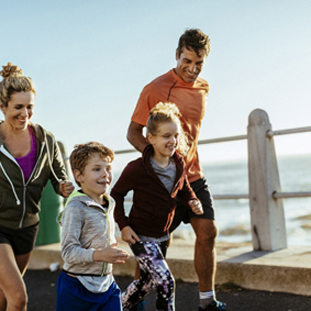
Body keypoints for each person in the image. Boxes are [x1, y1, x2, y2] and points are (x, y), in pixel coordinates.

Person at [126, 29, 227, 311]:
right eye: (187, 61)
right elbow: (133, 132)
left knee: (208, 232)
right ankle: (136, 303)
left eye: (199, 63)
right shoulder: (154, 89)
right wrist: (156, 162)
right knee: (153, 249)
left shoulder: (203, 88)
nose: (192, 69)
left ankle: (207, 301)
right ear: (177, 55)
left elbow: (191, 134)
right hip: (163, 182)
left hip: (193, 176)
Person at [111, 102, 203, 311]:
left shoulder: (178, 163)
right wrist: (123, 225)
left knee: (148, 282)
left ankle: (118, 306)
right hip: (140, 235)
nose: (173, 141)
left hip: (162, 235)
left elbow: (184, 188)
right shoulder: (137, 168)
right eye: (166, 136)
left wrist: (193, 200)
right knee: (166, 282)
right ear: (150, 138)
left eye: (175, 135)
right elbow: (116, 194)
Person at [0, 62, 74, 311]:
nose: (25, 113)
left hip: (27, 227)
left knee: (4, 297)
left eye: (29, 107)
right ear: (2, 107)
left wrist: (64, 186)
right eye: (18, 107)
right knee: (19, 298)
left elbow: (58, 175)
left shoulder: (45, 139)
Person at [56, 142, 130, 311]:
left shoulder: (109, 202)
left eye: (108, 168)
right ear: (79, 176)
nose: (105, 174)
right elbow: (68, 252)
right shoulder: (75, 207)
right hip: (76, 287)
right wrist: (100, 255)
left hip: (106, 284)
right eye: (97, 169)